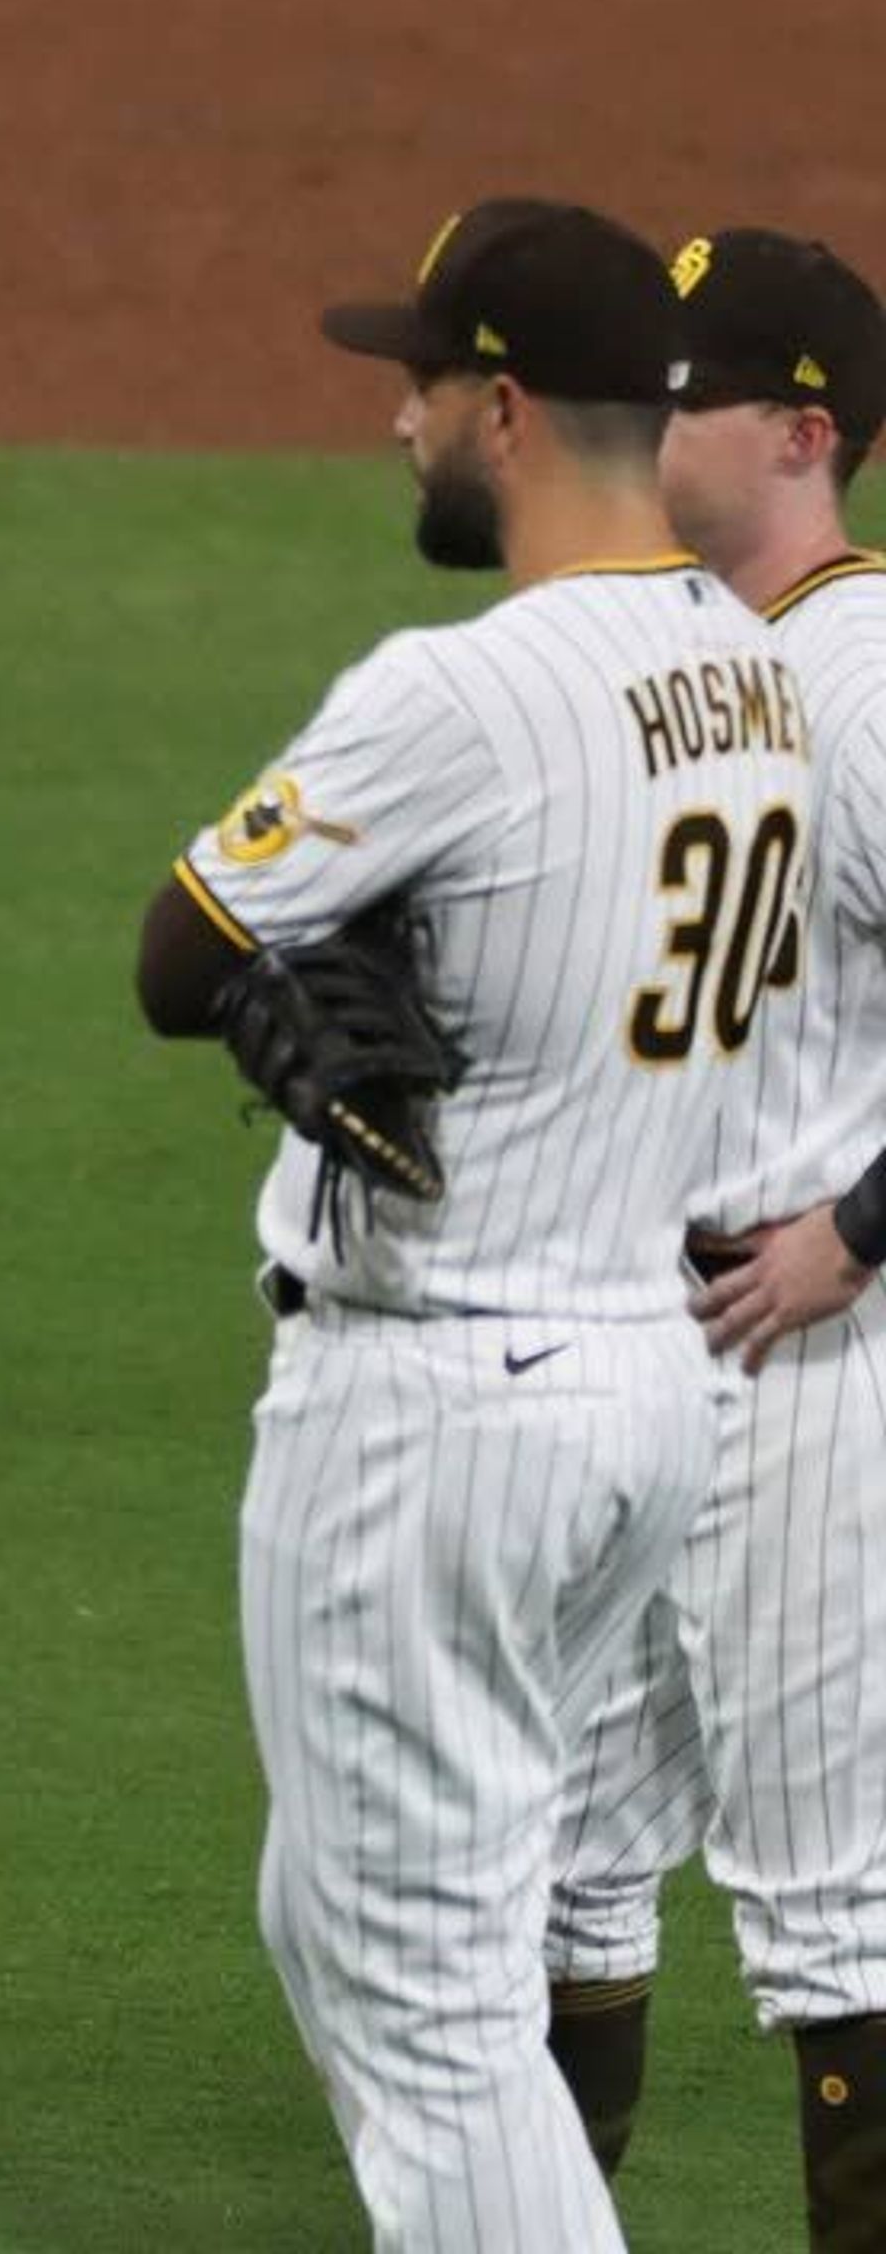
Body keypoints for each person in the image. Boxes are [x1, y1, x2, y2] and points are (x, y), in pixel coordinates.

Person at [138, 197, 808, 2249]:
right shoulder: (754, 679)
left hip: (441, 1404)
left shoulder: (465, 691)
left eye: (416, 387)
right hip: (638, 1388)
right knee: (360, 1921)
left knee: (428, 2014)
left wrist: (288, 966)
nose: (396, 426)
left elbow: (183, 949)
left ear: (501, 405)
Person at [543, 228, 886, 2247]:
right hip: (625, 1343)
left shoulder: (865, 666)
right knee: (574, 1847)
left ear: (800, 431)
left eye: (686, 390)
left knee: (830, 1889)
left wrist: (859, 1225)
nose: (643, 418)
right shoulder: (664, 651)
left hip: (811, 1361)